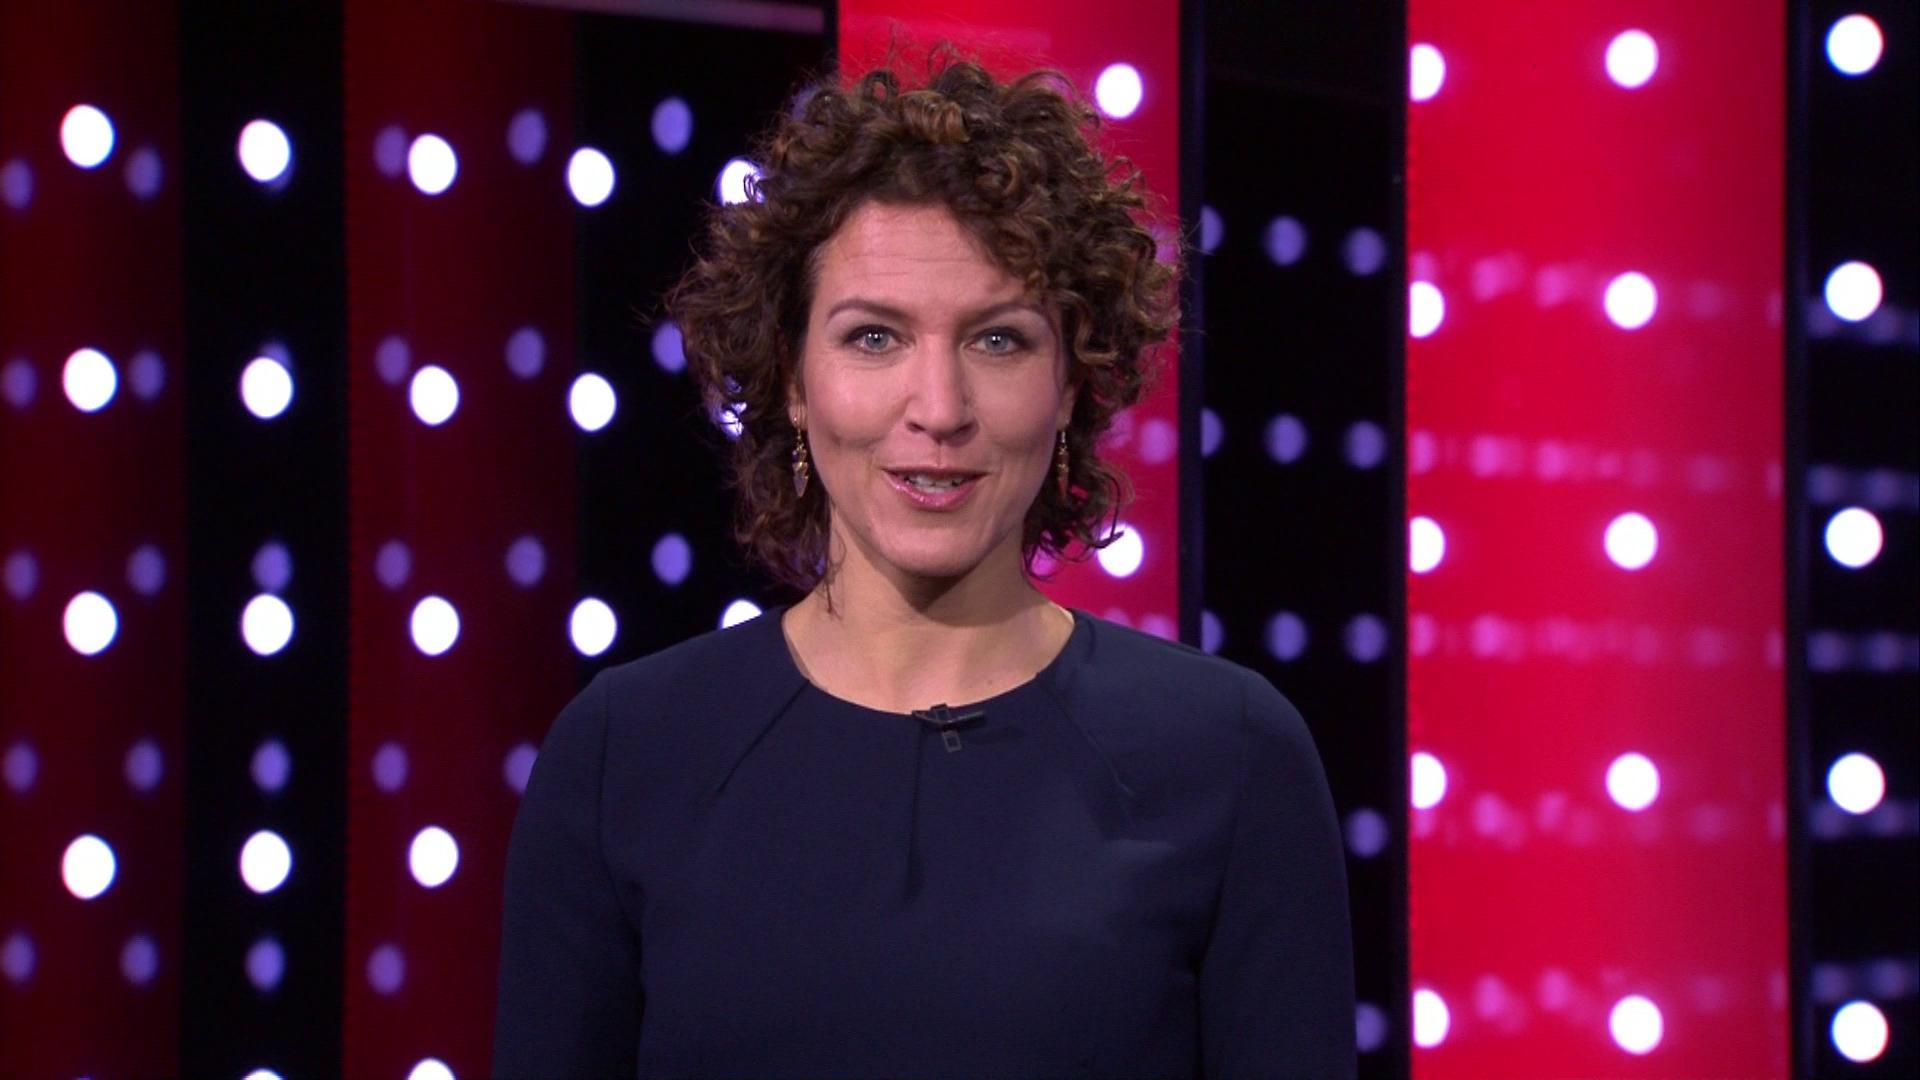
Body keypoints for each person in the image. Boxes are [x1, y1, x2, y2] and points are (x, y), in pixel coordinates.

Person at [493, 44, 1355, 1079]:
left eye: (998, 341)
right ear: (792, 377)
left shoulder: (1231, 756)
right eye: (873, 338)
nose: (939, 410)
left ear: (1071, 384)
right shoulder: (624, 753)